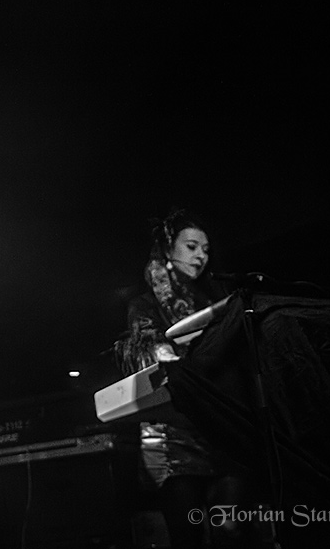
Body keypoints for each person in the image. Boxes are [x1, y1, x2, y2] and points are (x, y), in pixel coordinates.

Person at [115, 209, 255, 548]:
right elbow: (151, 362)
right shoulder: (144, 305)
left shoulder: (215, 301)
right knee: (188, 535)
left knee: (232, 532)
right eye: (192, 246)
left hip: (220, 433)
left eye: (205, 250)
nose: (201, 256)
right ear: (167, 250)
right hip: (174, 440)